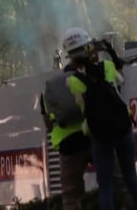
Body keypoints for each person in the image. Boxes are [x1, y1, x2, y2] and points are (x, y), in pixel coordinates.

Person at [64, 28, 137, 210]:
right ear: (90, 49)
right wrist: (108, 49)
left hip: (100, 137)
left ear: (70, 57)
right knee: (131, 181)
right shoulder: (108, 67)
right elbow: (121, 78)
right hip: (123, 130)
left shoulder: (72, 82)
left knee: (106, 187)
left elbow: (81, 99)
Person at [40, 34, 92, 210]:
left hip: (68, 146)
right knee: (112, 183)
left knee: (70, 196)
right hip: (93, 138)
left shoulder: (51, 86)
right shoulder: (90, 78)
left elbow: (48, 123)